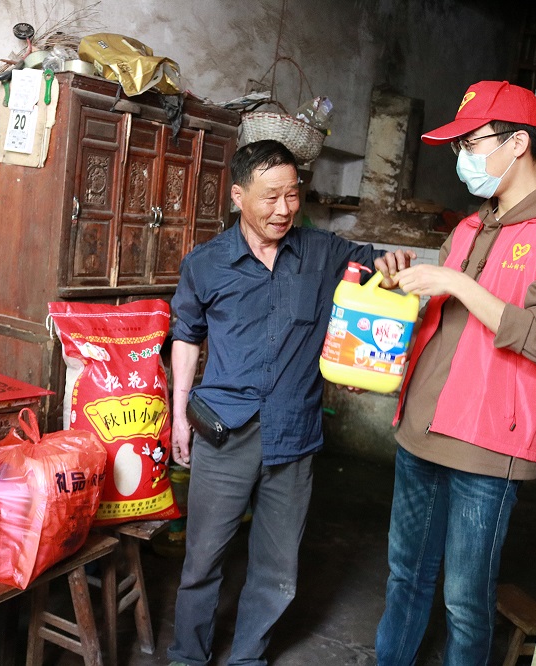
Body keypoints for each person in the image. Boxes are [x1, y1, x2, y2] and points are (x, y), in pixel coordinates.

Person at [372, 80, 536, 665]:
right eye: (459, 147)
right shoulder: (471, 227)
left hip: (487, 444)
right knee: (405, 578)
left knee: (465, 601)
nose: (462, 159)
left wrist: (455, 282)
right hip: (421, 429)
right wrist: (402, 283)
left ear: (517, 143)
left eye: (471, 143)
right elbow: (440, 320)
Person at [166, 139, 408, 666]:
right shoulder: (205, 264)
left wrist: (392, 263)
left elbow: (381, 270)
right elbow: (186, 335)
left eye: (292, 195)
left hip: (294, 433)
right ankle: (188, 656)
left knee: (278, 570)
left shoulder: (324, 253)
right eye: (270, 196)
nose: (283, 209)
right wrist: (178, 415)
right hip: (224, 432)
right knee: (202, 559)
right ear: (238, 197)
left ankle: (248, 657)